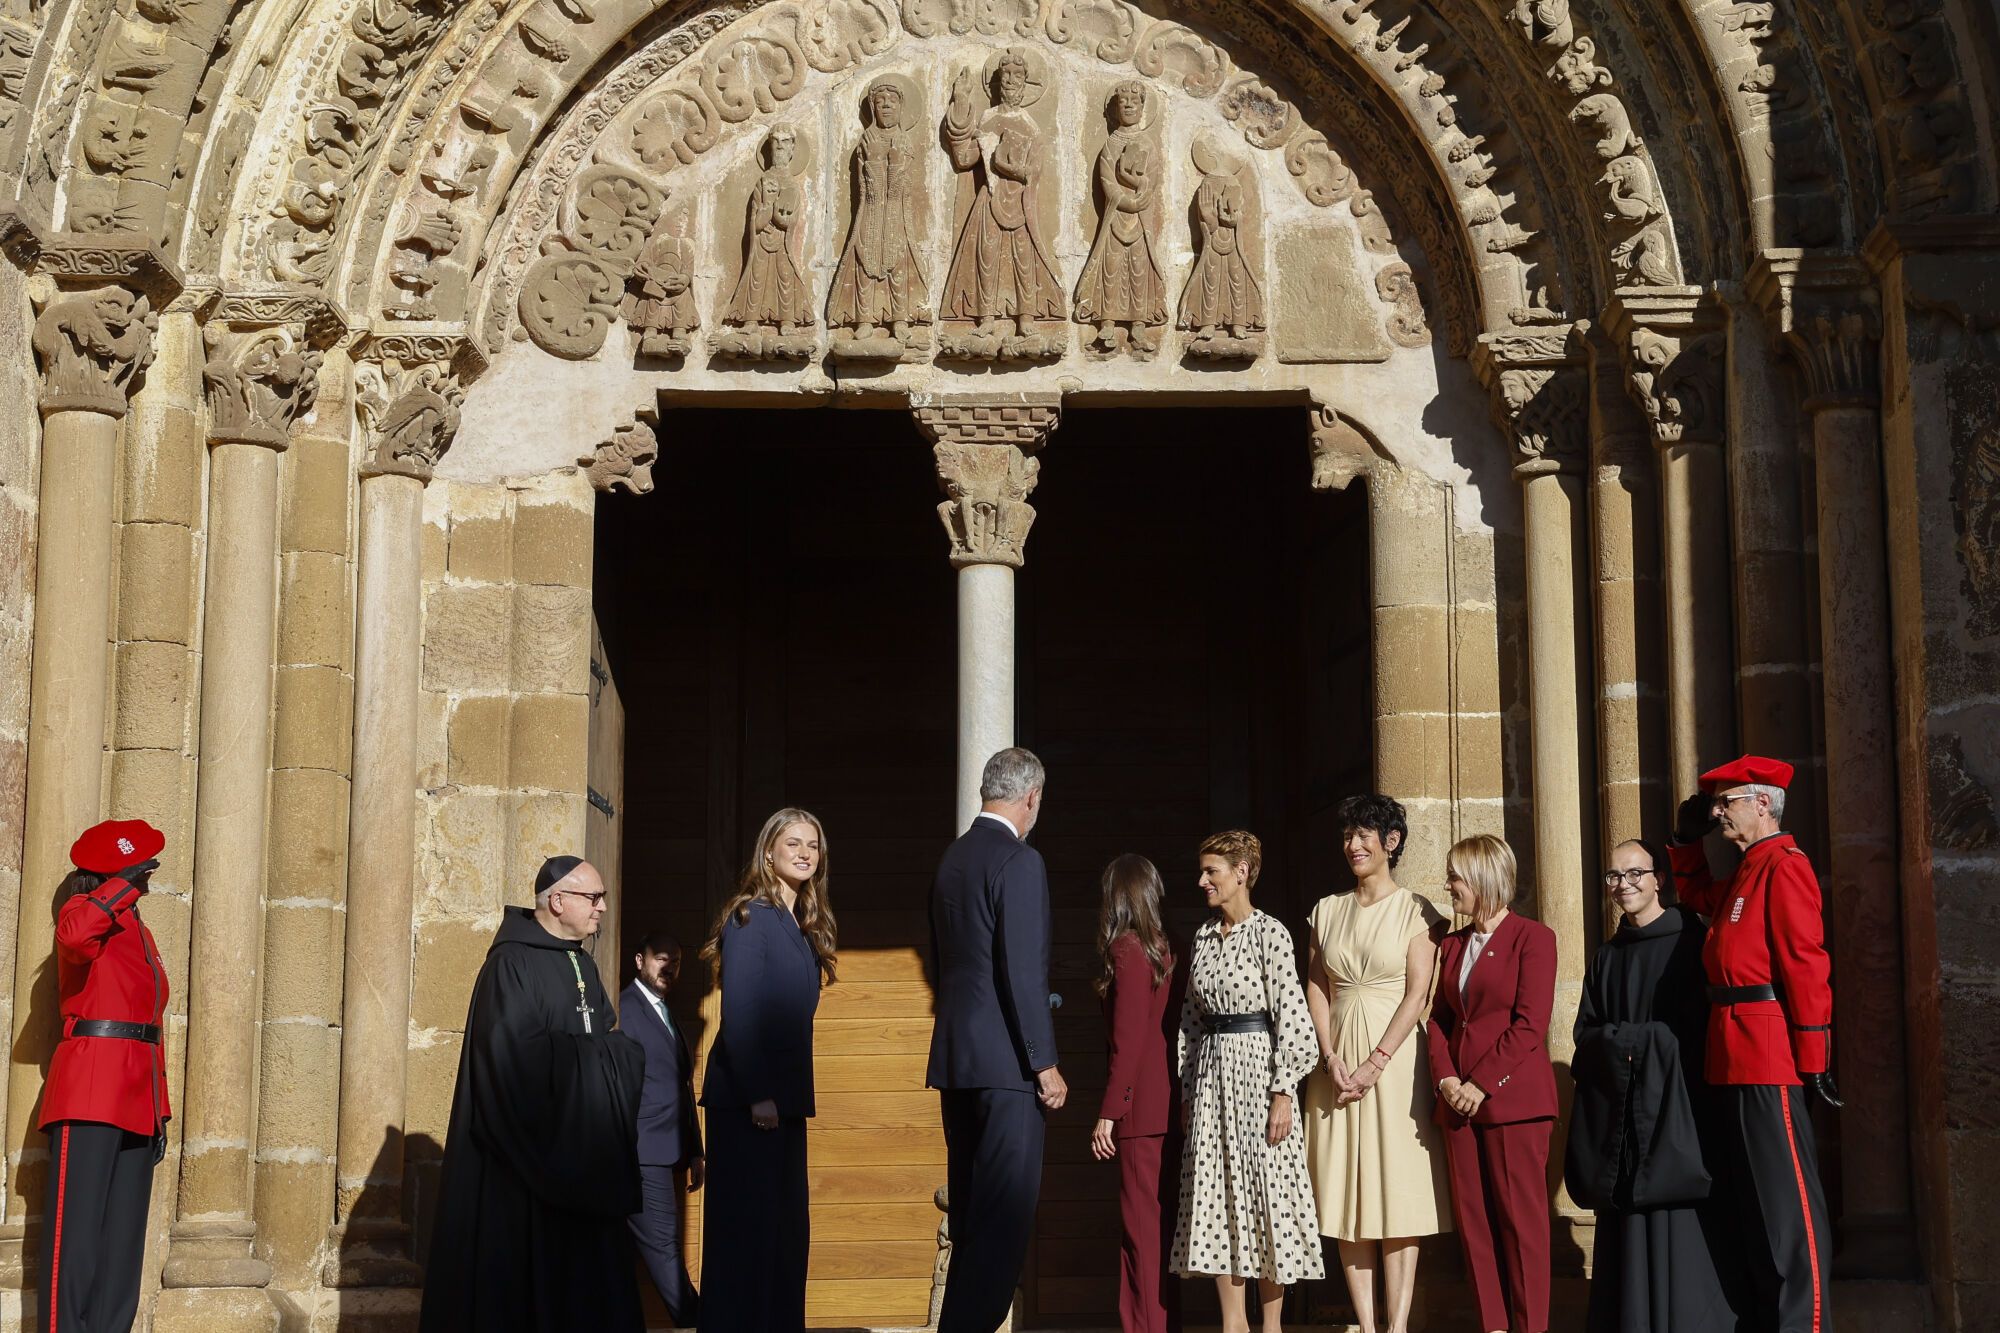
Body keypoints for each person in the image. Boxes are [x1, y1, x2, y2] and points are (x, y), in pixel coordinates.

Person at [421, 856, 647, 1333]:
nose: (603, 908)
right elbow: (512, 1063)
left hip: (584, 1156)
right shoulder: (510, 965)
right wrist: (610, 1057)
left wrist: (615, 1056)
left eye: (603, 897)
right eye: (594, 897)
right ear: (558, 900)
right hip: (527, 1171)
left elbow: (603, 1035)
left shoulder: (582, 961)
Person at [1670, 755, 1835, 1333]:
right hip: (1732, 1051)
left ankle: (1805, 1324)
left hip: (1769, 1056)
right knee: (1754, 1203)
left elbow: (1806, 964)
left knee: (1789, 1208)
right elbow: (1700, 899)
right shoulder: (1748, 866)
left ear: (1762, 803)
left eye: (1726, 802)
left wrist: (1814, 1058)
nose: (1717, 812)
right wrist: (1684, 845)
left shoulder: (1784, 865)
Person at [1565, 839, 1735, 1332]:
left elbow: (1701, 1030)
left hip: (1678, 1114)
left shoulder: (1689, 942)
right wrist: (1625, 1047)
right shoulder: (1606, 957)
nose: (1624, 886)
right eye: (1614, 877)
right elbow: (1584, 1037)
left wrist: (1632, 1043)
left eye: (1634, 874)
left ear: (1658, 878)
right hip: (1622, 1123)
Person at [927, 747, 1066, 1333]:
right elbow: (1022, 971)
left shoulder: (952, 858)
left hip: (958, 1062)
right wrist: (1046, 1063)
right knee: (1002, 1224)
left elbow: (943, 963)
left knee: (970, 1218)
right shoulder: (1021, 861)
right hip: (1009, 1068)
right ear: (1031, 797)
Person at [1301, 795, 1450, 1333]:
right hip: (1337, 1064)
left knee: (1395, 1189)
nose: (1353, 845)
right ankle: (1366, 1324)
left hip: (1393, 1063)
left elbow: (1417, 994)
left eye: (1365, 834)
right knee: (1345, 1193)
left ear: (1391, 843)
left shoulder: (1418, 911)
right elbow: (1316, 986)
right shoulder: (1327, 909)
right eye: (1348, 835)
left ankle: (1398, 1325)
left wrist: (1375, 1062)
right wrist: (1332, 1055)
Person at [1170, 830, 1324, 1333]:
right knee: (1216, 1194)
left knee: (1267, 1192)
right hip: (1212, 1080)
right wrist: (1190, 1089)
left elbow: (1294, 1018)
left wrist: (1284, 1092)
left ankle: (1272, 1325)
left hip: (1258, 1074)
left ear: (1241, 872)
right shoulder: (1201, 937)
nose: (1202, 881)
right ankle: (1232, 1324)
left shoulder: (1271, 934)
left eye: (1211, 871)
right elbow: (1191, 1020)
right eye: (1202, 871)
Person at [698, 807, 837, 1332]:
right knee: (748, 1240)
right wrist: (759, 1094)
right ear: (769, 852)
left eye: (813, 845)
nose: (804, 853)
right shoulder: (751, 917)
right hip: (750, 1104)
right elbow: (742, 1013)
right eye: (793, 843)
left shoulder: (798, 923)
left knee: (783, 1240)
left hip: (785, 1103)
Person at [38, 819, 171, 1333]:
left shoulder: (138, 928)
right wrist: (118, 885)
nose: (149, 877)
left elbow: (146, 1024)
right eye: (142, 869)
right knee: (75, 1240)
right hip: (91, 1090)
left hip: (138, 1094)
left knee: (122, 1241)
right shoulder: (84, 913)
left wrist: (159, 1109)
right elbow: (74, 935)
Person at [1427, 834, 1557, 1333]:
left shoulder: (1533, 937)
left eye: (1455, 877)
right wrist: (1445, 1079)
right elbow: (1437, 1020)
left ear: (1483, 879)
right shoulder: (1453, 945)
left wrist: (1479, 1083)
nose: (1448, 886)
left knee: (1521, 1228)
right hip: (1457, 1104)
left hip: (1513, 1103)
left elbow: (1530, 1024)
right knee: (1475, 1227)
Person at [1090, 854, 1182, 1333]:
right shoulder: (1159, 948)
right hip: (1156, 1106)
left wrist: (1110, 1111)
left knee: (1142, 1234)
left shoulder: (1128, 949)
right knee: (1153, 1232)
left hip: (1139, 1111)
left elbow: (1128, 1040)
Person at [623, 930, 703, 1327]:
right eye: (660, 958)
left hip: (667, 1149)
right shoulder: (625, 1009)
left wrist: (695, 1149)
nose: (668, 966)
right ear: (640, 960)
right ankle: (697, 1321)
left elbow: (679, 1086)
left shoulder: (665, 1011)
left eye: (675, 960)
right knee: (662, 1243)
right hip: (639, 1150)